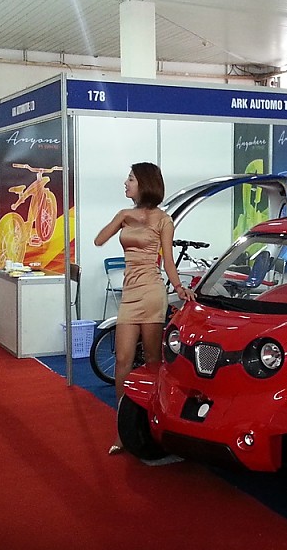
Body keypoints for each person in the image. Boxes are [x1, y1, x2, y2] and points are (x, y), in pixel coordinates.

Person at [94, 162, 195, 454]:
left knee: (152, 360)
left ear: (145, 183)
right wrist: (122, 218)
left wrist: (179, 287)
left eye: (131, 179)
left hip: (151, 291)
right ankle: (122, 427)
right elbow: (99, 240)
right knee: (122, 359)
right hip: (129, 294)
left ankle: (153, 422)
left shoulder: (164, 220)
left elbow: (168, 261)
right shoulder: (124, 215)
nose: (126, 183)